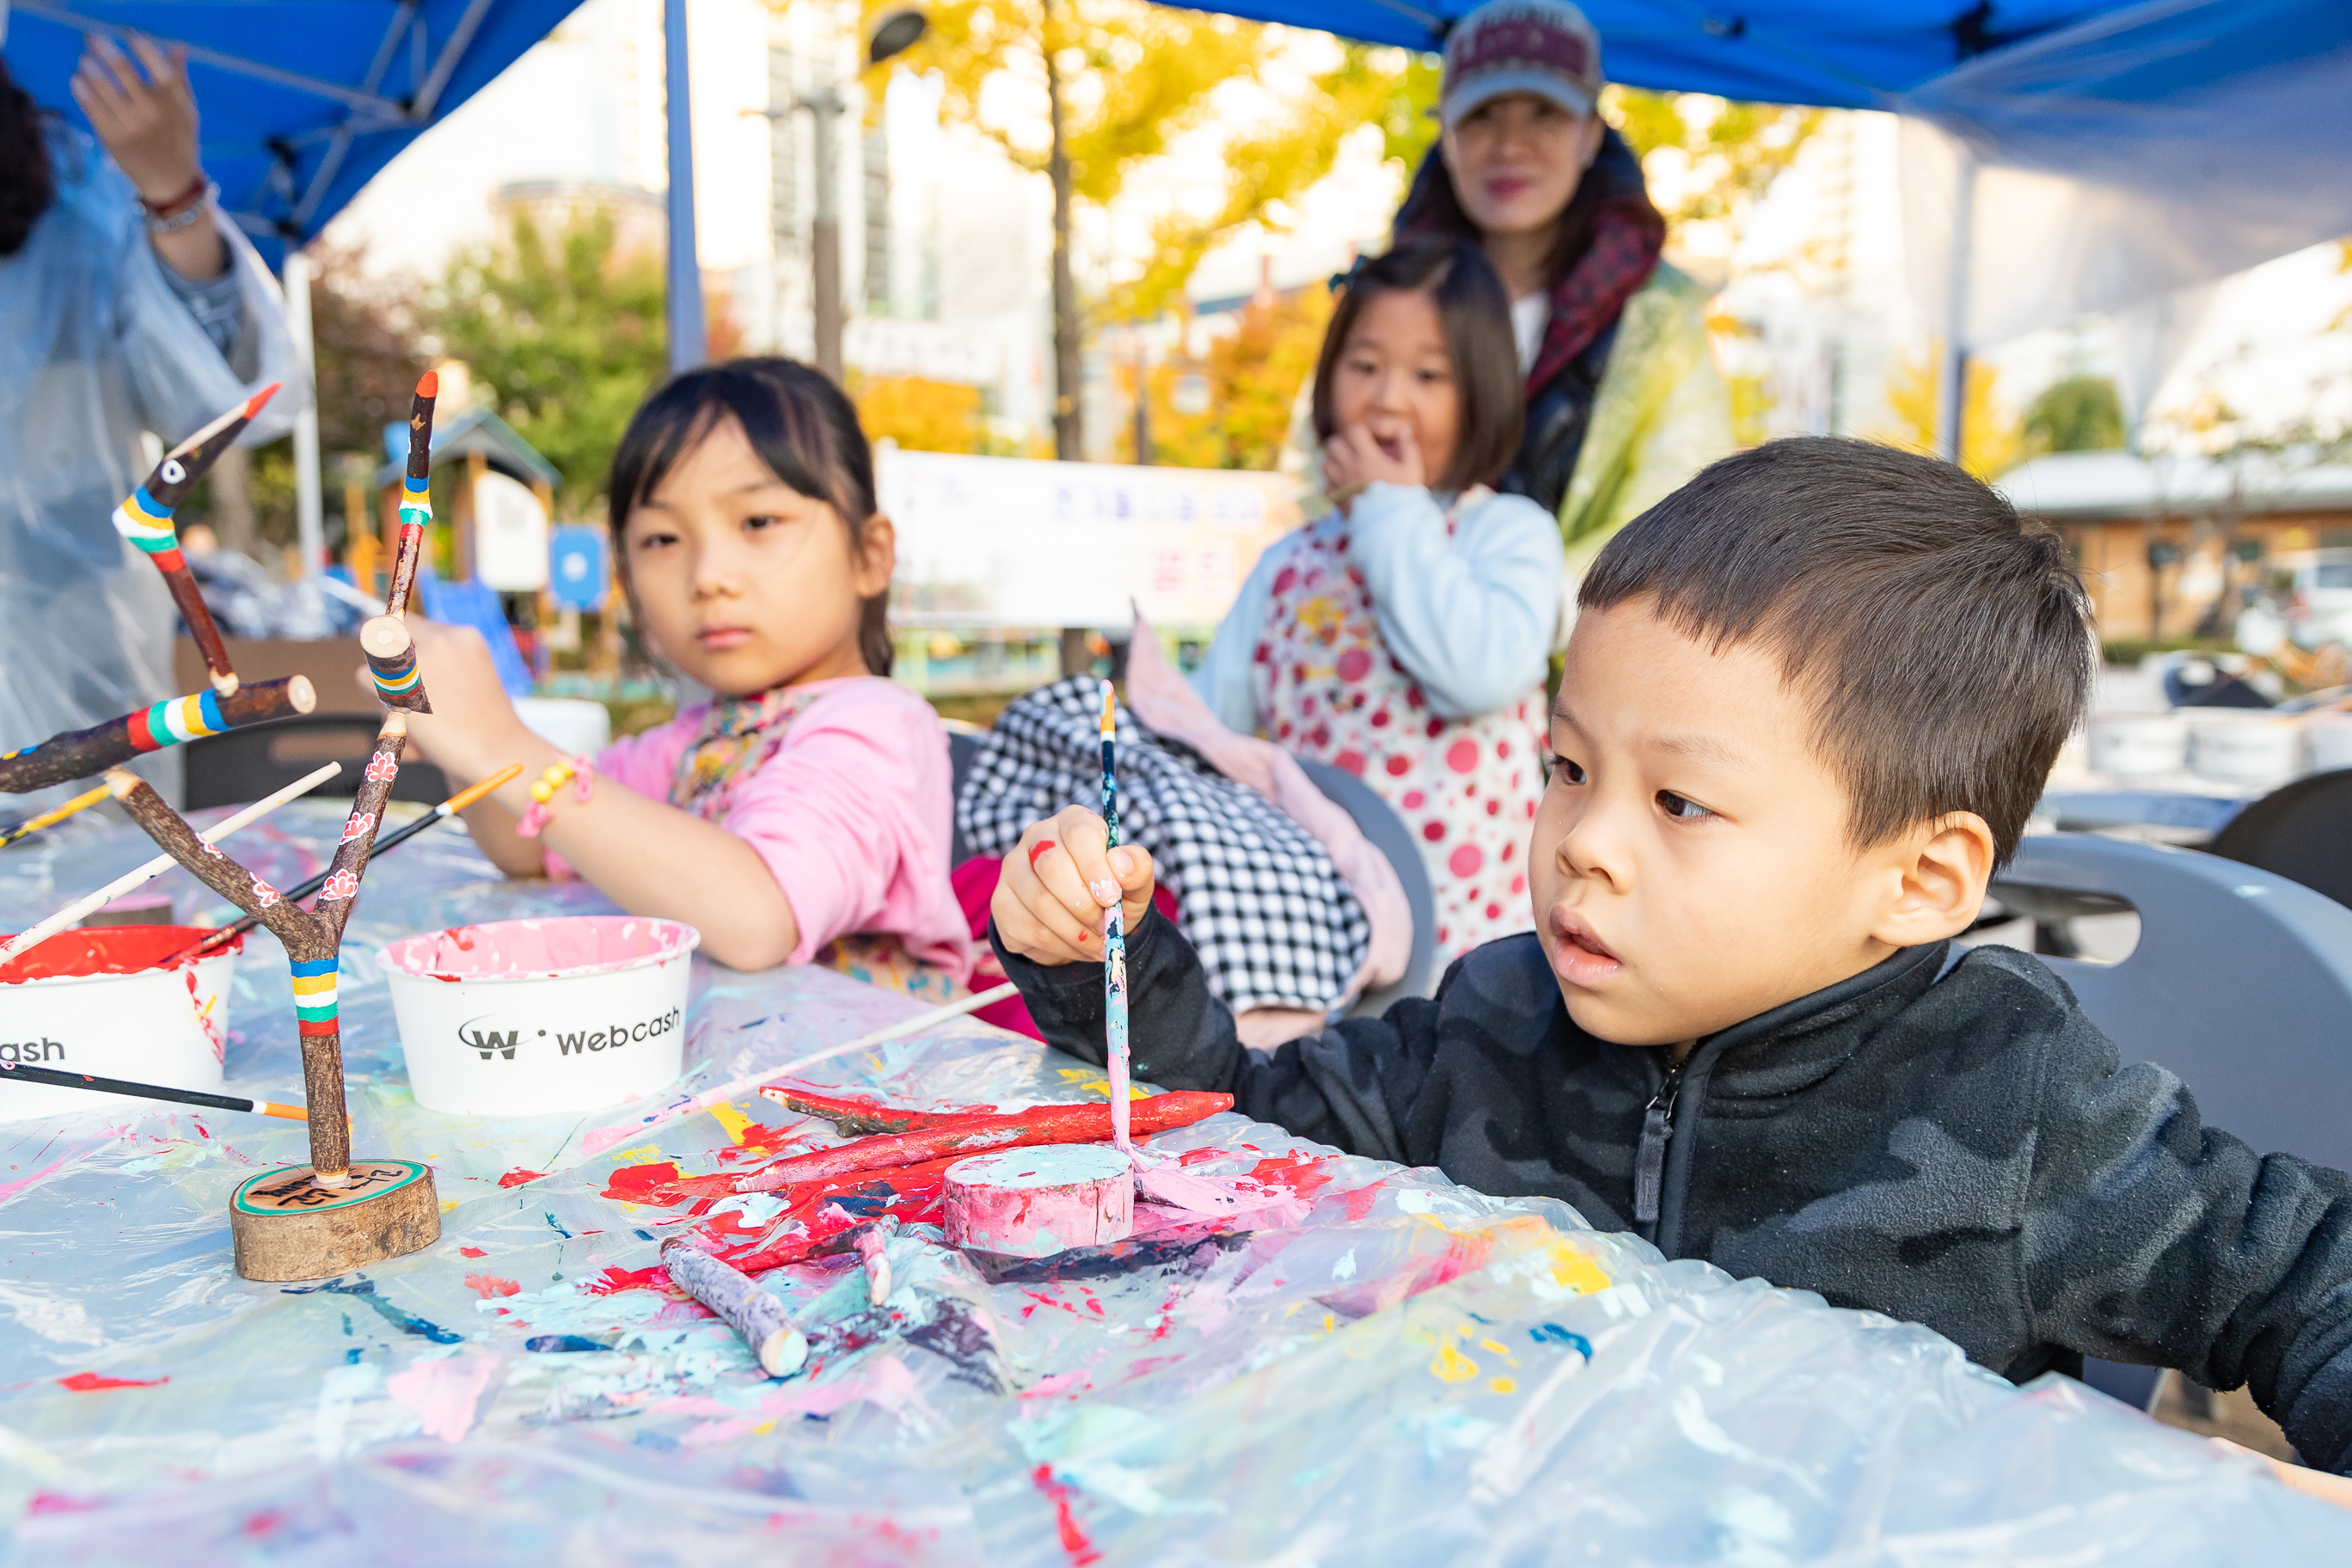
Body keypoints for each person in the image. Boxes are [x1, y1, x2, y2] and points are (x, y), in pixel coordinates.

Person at [991, 438, 2352, 1479]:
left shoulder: (2021, 1104)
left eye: (1679, 803)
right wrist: (1106, 962)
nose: (1586, 845)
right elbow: (1242, 1127)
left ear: (1919, 880)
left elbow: (2311, 1281)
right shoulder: (1493, 1016)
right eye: (1570, 768)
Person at [401, 359, 971, 990]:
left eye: (758, 522)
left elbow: (759, 915)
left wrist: (501, 744)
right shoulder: (693, 741)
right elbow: (531, 848)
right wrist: (458, 737)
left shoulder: (880, 725)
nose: (707, 576)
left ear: (870, 555)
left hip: (860, 1083)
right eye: (663, 539)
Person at [1191, 236, 1560, 961]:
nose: (1389, 398)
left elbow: (1475, 674)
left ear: (1482, 389)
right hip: (1318, 937)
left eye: (1429, 375)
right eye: (1364, 366)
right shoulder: (1290, 563)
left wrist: (1389, 508)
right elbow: (1213, 729)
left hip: (1479, 953)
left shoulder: (1508, 535)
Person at [1291, 0, 1730, 572]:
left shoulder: (1661, 313)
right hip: (1374, 639)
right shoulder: (1389, 292)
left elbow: (1686, 505)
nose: (1509, 145)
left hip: (1575, 649)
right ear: (1445, 134)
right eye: (1483, 114)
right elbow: (1316, 464)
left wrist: (1522, 620)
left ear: (1590, 134)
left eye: (1543, 113)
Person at [0, 34, 299, 809]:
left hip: (71, 686)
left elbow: (211, 399)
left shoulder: (70, 199)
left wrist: (172, 192)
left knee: (98, 915)